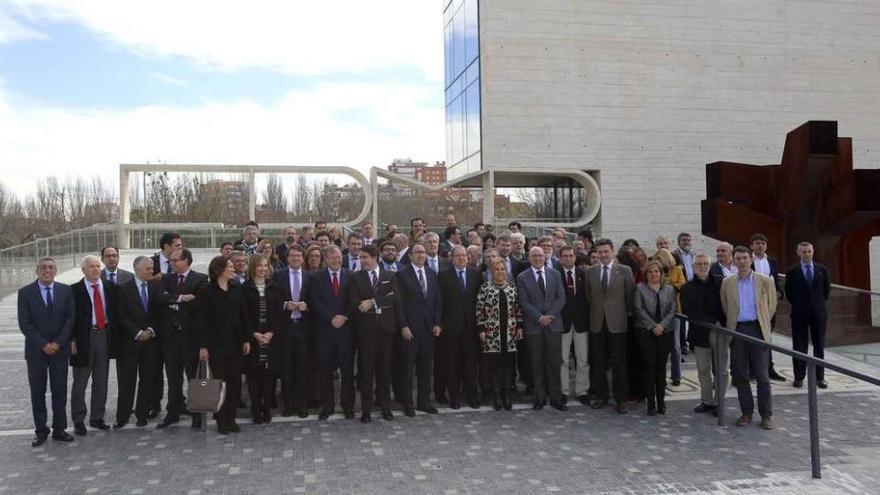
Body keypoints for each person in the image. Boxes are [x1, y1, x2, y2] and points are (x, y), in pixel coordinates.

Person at [720, 246, 778, 430]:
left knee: (762, 374)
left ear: (750, 259)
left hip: (757, 329)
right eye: (738, 258)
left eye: (745, 258)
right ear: (733, 261)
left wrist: (761, 322)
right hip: (737, 330)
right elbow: (725, 305)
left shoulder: (764, 281)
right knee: (739, 373)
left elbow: (771, 305)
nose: (741, 261)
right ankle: (746, 412)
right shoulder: (727, 283)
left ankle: (766, 414)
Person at [19, 257, 75, 446]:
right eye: (43, 268)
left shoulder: (66, 291)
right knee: (37, 391)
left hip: (60, 350)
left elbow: (70, 319)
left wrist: (58, 343)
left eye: (51, 267)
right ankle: (41, 430)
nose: (47, 270)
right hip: (36, 351)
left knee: (59, 390)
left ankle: (60, 429)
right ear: (37, 270)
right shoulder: (25, 293)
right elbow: (25, 324)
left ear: (56, 270)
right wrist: (43, 344)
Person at [348, 244, 404, 423]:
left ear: (375, 258)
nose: (362, 260)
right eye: (360, 257)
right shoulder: (356, 278)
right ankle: (366, 409)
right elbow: (356, 302)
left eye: (365, 257)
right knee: (366, 371)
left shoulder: (390, 276)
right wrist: (377, 302)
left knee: (384, 370)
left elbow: (394, 297)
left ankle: (386, 408)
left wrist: (372, 302)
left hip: (386, 330)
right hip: (366, 332)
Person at [196, 256, 251, 434]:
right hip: (216, 345)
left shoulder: (237, 289)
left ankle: (231, 418)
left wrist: (246, 339)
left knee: (235, 382)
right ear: (219, 270)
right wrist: (203, 346)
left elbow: (243, 317)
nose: (233, 268)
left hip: (235, 344)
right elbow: (201, 321)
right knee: (220, 383)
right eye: (229, 266)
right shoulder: (207, 291)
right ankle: (221, 419)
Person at [156, 248, 208, 429]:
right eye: (171, 260)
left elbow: (199, 303)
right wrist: (181, 298)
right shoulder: (166, 279)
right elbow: (160, 299)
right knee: (173, 378)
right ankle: (173, 412)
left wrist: (174, 305)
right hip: (170, 338)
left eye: (176, 260)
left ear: (187, 260)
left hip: (191, 338)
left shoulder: (200, 279)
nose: (172, 263)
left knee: (194, 377)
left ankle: (197, 415)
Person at [584, 238, 635, 413]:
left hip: (618, 323)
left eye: (606, 251)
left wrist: (622, 314)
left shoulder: (625, 271)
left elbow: (630, 297)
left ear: (612, 251)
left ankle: (621, 400)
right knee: (598, 362)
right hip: (597, 323)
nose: (603, 255)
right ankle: (601, 396)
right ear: (596, 253)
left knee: (619, 364)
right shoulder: (590, 272)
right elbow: (588, 297)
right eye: (600, 252)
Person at [70, 255, 119, 435]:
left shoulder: (109, 287)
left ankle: (97, 417)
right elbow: (70, 318)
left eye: (98, 266)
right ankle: (78, 418)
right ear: (83, 270)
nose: (96, 269)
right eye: (91, 267)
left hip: (103, 334)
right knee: (80, 380)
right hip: (83, 337)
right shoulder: (74, 290)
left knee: (101, 379)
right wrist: (72, 340)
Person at [308, 246, 356, 420]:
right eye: (333, 258)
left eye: (339, 258)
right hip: (325, 332)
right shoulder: (316, 278)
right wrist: (331, 318)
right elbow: (315, 301)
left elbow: (354, 301)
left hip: (346, 331)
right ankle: (327, 407)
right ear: (326, 259)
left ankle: (348, 406)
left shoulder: (351, 276)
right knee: (325, 371)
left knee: (348, 372)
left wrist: (344, 317)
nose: (337, 261)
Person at [516, 246, 567, 411]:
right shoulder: (522, 277)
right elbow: (523, 302)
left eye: (540, 255)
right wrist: (539, 317)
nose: (538, 258)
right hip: (534, 326)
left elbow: (561, 297)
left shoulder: (555, 274)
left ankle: (556, 398)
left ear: (545, 257)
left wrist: (550, 316)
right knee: (536, 364)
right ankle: (539, 397)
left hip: (553, 325)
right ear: (529, 258)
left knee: (554, 362)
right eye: (534, 256)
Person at [395, 243, 443, 416]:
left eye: (423, 252)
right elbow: (398, 304)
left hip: (428, 329)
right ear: (410, 255)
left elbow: (437, 300)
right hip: (410, 330)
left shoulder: (431, 273)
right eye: (418, 252)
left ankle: (424, 402)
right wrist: (403, 326)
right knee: (407, 368)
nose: (421, 255)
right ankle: (407, 403)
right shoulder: (402, 275)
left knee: (425, 368)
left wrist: (437, 323)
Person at [116, 256, 162, 429]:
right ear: (137, 269)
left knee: (147, 379)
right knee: (127, 381)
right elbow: (121, 316)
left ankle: (142, 414)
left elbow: (159, 314)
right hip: (129, 343)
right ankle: (122, 416)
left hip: (150, 342)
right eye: (148, 268)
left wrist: (150, 331)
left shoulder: (156, 287)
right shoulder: (122, 289)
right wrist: (137, 332)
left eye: (152, 268)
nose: (151, 271)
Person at [437, 245, 482, 409]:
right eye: (458, 256)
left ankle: (472, 397)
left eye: (464, 256)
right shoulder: (442, 276)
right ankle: (454, 397)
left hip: (471, 328)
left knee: (471, 365)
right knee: (452, 364)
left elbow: (480, 300)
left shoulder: (475, 274)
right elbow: (439, 302)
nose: (462, 258)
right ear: (452, 257)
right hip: (450, 328)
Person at [680, 254, 726, 415]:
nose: (702, 266)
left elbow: (726, 305)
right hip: (700, 332)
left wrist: (721, 324)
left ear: (710, 265)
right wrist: (712, 321)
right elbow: (689, 311)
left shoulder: (721, 283)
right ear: (693, 267)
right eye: (698, 264)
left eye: (705, 263)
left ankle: (719, 401)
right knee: (703, 369)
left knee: (721, 369)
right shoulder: (687, 287)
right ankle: (706, 400)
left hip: (720, 332)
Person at [241, 254, 283, 424]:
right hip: (254, 338)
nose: (263, 269)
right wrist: (254, 334)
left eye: (266, 266)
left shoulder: (274, 287)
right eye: (259, 266)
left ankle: (266, 408)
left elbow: (280, 314)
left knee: (269, 375)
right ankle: (256, 408)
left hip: (270, 338)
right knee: (253, 375)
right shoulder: (244, 288)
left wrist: (271, 333)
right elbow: (243, 315)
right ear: (253, 267)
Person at [477, 260, 523, 410]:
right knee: (495, 366)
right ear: (492, 271)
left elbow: (517, 308)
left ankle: (507, 395)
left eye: (502, 269)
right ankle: (496, 395)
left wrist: (519, 326)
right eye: (497, 270)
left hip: (510, 333)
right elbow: (479, 310)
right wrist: (481, 329)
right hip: (492, 334)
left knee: (508, 365)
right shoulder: (485, 288)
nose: (500, 272)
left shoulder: (512, 288)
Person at [272, 245, 312, 418]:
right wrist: (284, 305)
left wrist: (307, 305)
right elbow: (273, 299)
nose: (296, 259)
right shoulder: (278, 276)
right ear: (287, 258)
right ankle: (288, 404)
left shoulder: (311, 277)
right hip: (285, 328)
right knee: (287, 367)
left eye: (299, 256)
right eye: (292, 256)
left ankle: (302, 404)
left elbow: (316, 299)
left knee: (302, 368)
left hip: (303, 328)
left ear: (303, 259)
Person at [632, 261, 677, 416]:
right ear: (646, 274)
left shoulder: (669, 289)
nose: (654, 274)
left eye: (657, 271)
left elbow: (672, 310)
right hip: (645, 332)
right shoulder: (639, 288)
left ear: (661, 273)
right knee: (649, 367)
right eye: (650, 272)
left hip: (665, 332)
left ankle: (661, 402)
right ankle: (650, 403)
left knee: (661, 367)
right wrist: (652, 326)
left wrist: (662, 326)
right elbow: (638, 309)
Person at [785, 241, 831, 389]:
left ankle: (820, 378)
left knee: (819, 346)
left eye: (809, 251)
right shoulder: (792, 271)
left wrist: (817, 305)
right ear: (798, 253)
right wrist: (800, 304)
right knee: (799, 346)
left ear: (813, 252)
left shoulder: (822, 270)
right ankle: (799, 377)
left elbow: (826, 292)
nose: (807, 254)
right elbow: (789, 292)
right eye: (804, 252)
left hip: (818, 314)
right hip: (799, 314)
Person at [750, 233, 786, 383]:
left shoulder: (772, 261)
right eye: (757, 243)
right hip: (752, 304)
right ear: (751, 245)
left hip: (769, 304)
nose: (760, 246)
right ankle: (752, 369)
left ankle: (769, 368)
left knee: (768, 337)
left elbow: (775, 280)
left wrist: (778, 294)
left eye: (762, 243)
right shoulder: (747, 259)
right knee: (752, 336)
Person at [557, 246, 589, 406]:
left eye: (571, 255)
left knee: (582, 359)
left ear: (575, 257)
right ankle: (563, 391)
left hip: (581, 323)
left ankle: (582, 391)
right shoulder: (556, 275)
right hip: (563, 323)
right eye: (565, 256)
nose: (568, 258)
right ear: (560, 258)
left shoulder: (583, 274)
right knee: (562, 360)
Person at [654, 248, 686, 386]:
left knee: (675, 345)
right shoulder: (656, 271)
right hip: (658, 311)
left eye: (662, 259)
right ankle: (660, 376)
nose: (660, 262)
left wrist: (670, 286)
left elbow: (683, 284)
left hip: (675, 310)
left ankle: (676, 375)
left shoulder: (677, 270)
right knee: (659, 346)